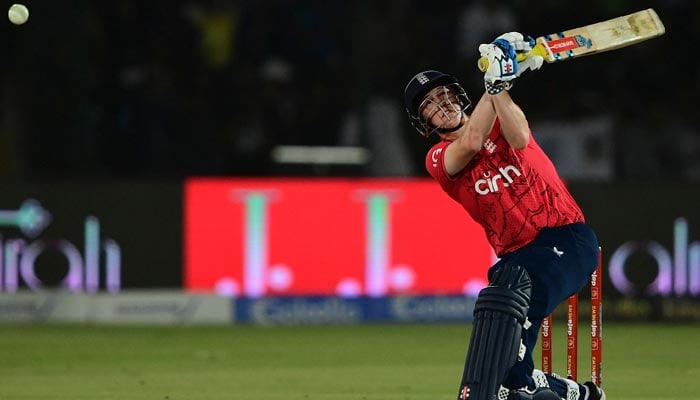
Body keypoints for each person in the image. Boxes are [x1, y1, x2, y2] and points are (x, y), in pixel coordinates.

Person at [402, 33, 606, 400]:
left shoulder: (501, 113)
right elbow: (471, 142)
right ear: (425, 122)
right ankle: (578, 394)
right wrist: (499, 78)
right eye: (430, 104)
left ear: (460, 94)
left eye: (445, 93)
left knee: (513, 311)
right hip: (515, 257)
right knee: (506, 362)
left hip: (565, 238)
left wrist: (500, 85)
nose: (442, 104)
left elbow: (520, 137)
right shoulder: (437, 158)